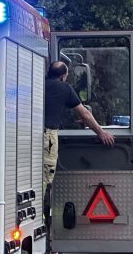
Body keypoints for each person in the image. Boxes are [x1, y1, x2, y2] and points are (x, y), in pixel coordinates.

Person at [43, 61, 114, 192]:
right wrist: (101, 133)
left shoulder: (38, 84)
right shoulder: (64, 88)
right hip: (47, 136)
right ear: (63, 76)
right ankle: (42, 206)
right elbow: (85, 114)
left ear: (48, 71)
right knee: (45, 176)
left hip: (27, 135)